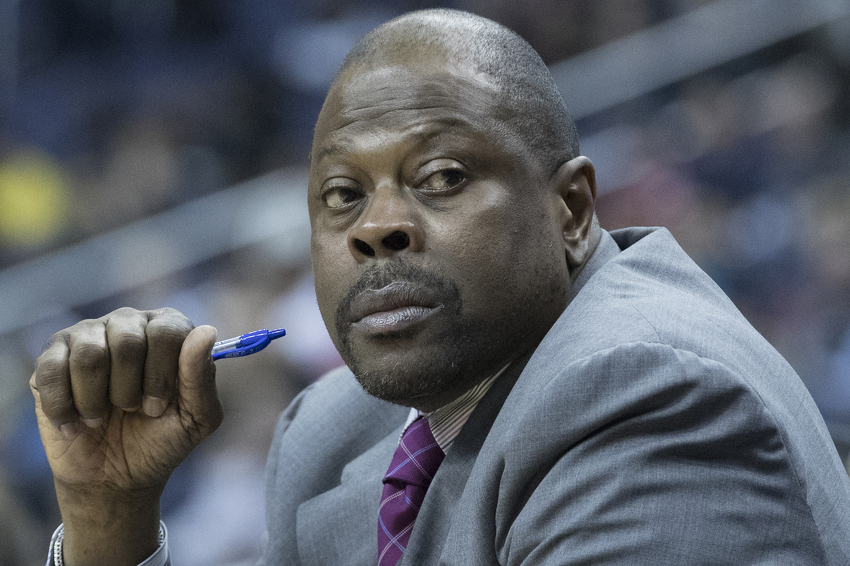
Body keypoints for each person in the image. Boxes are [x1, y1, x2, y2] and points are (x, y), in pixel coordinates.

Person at [31, 9, 850, 566]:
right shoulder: (332, 432)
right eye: (341, 196)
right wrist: (108, 518)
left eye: (443, 176)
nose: (375, 226)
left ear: (571, 209)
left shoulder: (648, 396)